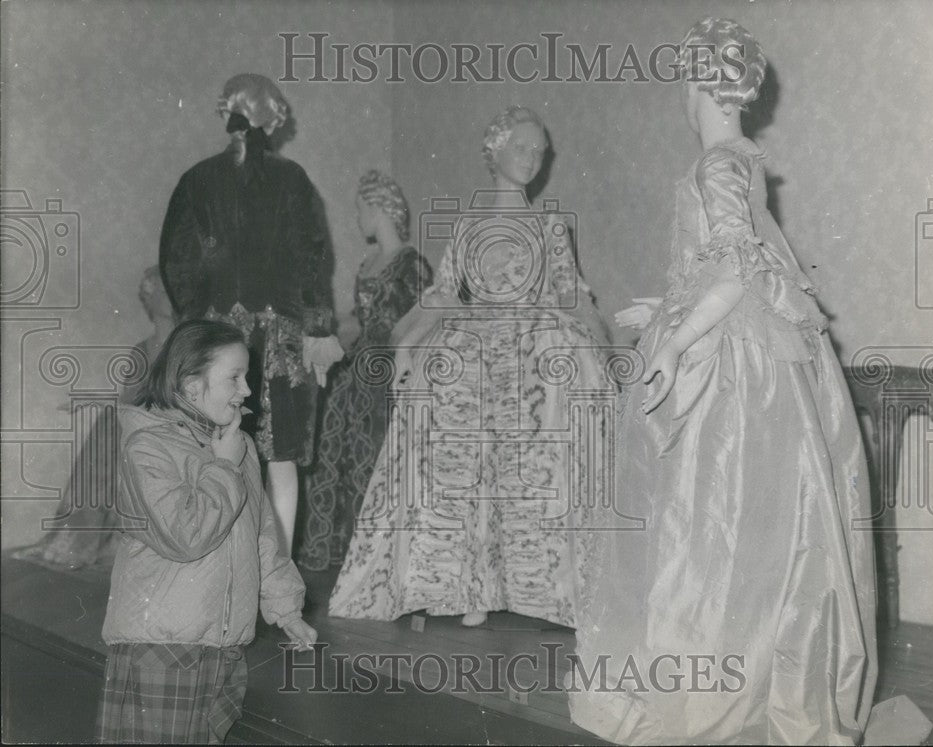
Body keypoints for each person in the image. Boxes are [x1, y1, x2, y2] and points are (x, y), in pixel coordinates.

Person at [567, 18, 877, 745]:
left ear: (699, 84)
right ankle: (745, 675)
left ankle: (707, 690)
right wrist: (665, 304)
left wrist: (674, 341)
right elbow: (734, 264)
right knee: (737, 527)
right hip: (745, 345)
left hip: (727, 364)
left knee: (706, 523)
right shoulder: (741, 158)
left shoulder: (716, 163)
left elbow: (737, 268)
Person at [327, 106, 610, 629]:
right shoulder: (468, 225)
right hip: (474, 353)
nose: (531, 159)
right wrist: (406, 345)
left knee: (532, 469)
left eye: (539, 152)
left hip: (531, 354)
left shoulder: (549, 226)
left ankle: (539, 588)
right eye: (521, 147)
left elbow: (573, 297)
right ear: (495, 150)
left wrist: (604, 354)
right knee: (458, 459)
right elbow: (442, 297)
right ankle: (466, 585)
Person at [96, 319, 316, 744]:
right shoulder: (147, 447)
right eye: (234, 377)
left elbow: (261, 537)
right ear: (190, 384)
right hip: (162, 649)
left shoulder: (236, 447)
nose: (247, 390)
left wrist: (287, 610)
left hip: (222, 647)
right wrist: (224, 467)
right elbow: (186, 535)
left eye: (246, 376)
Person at [159, 73, 342, 556]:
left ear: (227, 114)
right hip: (283, 341)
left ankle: (224, 565)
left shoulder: (197, 180)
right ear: (273, 118)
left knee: (219, 454)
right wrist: (319, 327)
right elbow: (312, 261)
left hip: (220, 344)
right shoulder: (293, 179)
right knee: (281, 460)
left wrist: (195, 325)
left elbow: (178, 265)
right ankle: (277, 569)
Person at [298, 170, 433, 571]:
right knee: (336, 451)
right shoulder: (369, 261)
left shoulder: (411, 263)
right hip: (355, 368)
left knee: (373, 456)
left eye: (360, 210)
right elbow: (357, 317)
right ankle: (338, 553)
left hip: (389, 369)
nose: (358, 220)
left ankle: (377, 560)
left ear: (377, 209)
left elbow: (420, 322)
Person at [17, 266, 176, 570]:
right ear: (149, 298)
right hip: (143, 426)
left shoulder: (187, 345)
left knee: (119, 429)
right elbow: (130, 401)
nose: (169, 297)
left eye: (171, 289)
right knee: (109, 427)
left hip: (172, 426)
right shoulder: (141, 351)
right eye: (161, 290)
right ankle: (85, 536)